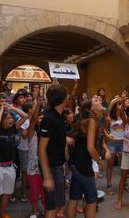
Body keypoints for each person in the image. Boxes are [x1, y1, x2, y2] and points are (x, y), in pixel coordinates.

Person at [66, 97, 105, 218]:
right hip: (83, 165)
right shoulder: (91, 121)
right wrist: (99, 161)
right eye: (96, 101)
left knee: (74, 197)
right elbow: (90, 148)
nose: (100, 101)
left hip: (75, 163)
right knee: (92, 199)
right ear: (91, 108)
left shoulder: (86, 120)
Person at [38, 83, 73, 218]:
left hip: (58, 166)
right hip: (51, 167)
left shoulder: (59, 117)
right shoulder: (49, 118)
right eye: (67, 95)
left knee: (57, 204)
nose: (69, 97)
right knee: (52, 207)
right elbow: (41, 149)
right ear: (63, 99)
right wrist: (47, 177)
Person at [0, 102, 28, 218]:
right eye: (7, 118)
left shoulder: (13, 129)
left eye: (11, 118)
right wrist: (2, 109)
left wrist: (11, 108)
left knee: (7, 192)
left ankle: (3, 213)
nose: (10, 120)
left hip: (11, 166)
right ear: (2, 120)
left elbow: (25, 116)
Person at [104, 96, 125, 195]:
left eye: (121, 104)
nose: (121, 105)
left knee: (123, 165)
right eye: (119, 104)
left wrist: (122, 101)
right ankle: (109, 185)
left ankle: (124, 184)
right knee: (110, 164)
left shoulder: (124, 116)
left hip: (122, 143)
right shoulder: (109, 118)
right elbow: (104, 130)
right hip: (112, 143)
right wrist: (108, 136)